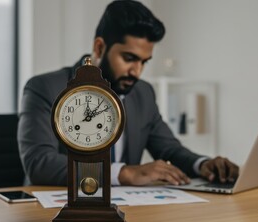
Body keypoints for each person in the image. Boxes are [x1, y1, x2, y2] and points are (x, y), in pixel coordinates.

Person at [17, 0, 239, 186]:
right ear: (99, 48)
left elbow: (169, 149)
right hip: (51, 214)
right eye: (129, 58)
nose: (137, 71)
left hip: (127, 214)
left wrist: (202, 164)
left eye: (144, 62)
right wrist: (125, 173)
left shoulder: (142, 93)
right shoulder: (44, 88)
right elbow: (40, 163)